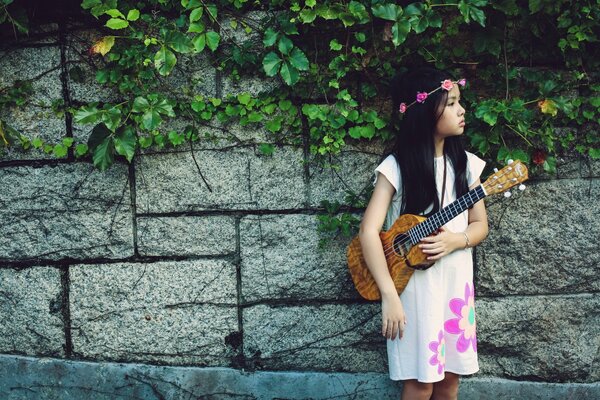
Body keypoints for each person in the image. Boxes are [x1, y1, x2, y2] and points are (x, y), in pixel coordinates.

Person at [358, 67, 489, 400]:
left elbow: (479, 226)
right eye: (452, 104)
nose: (462, 111)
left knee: (449, 382)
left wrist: (454, 241)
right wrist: (388, 295)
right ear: (426, 113)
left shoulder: (467, 165)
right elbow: (369, 231)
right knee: (420, 383)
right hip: (413, 291)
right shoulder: (397, 166)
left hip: (456, 287)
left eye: (461, 103)